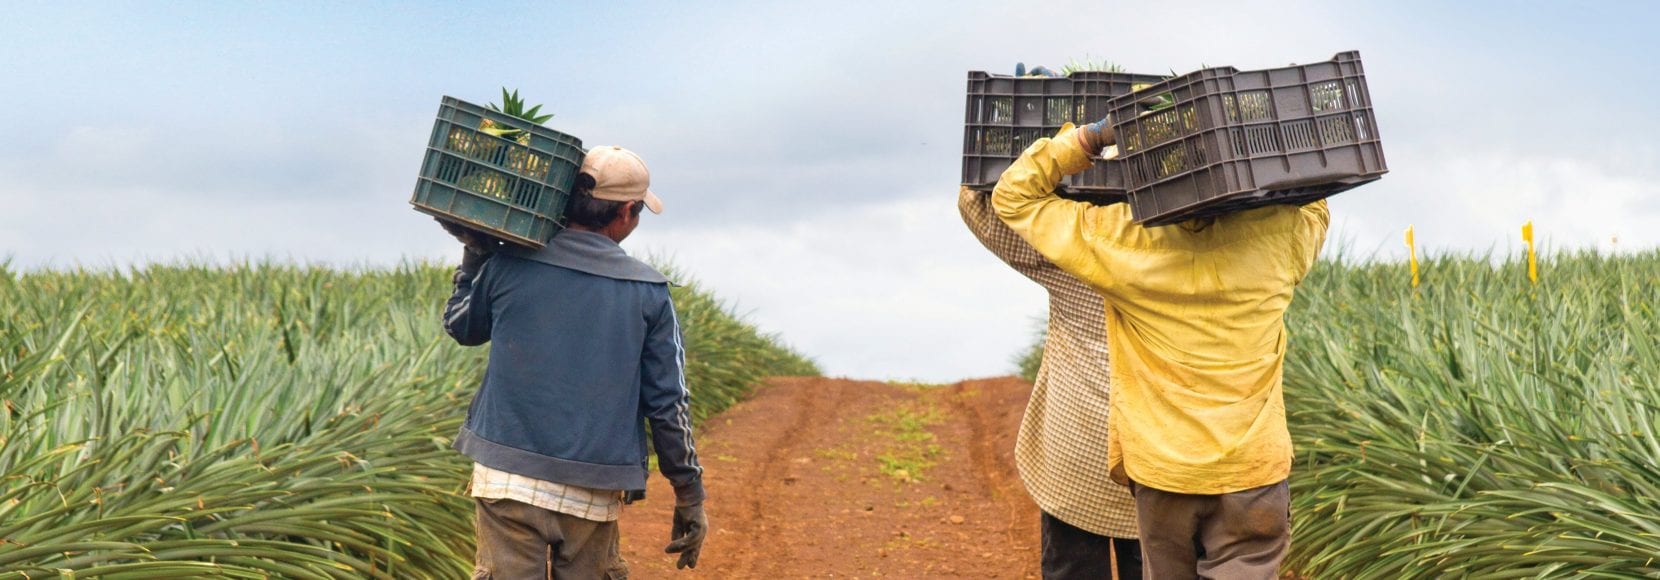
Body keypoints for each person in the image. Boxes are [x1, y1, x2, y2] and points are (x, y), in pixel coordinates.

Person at [992, 119, 1329, 578]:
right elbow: (1315, 201)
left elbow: (1014, 197)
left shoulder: (1122, 241)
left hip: (1165, 474)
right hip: (1254, 472)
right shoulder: (1281, 235)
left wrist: (1092, 137)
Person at [441, 145, 708, 579]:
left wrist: (475, 254)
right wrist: (689, 494)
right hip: (593, 487)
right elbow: (667, 404)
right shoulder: (648, 292)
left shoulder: (508, 263)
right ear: (625, 212)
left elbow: (461, 327)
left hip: (507, 478)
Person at [958, 187, 1142, 579]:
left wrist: (1082, 144)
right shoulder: (1188, 256)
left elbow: (979, 206)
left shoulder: (1073, 254)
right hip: (1159, 462)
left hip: (1076, 457)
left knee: (1073, 567)